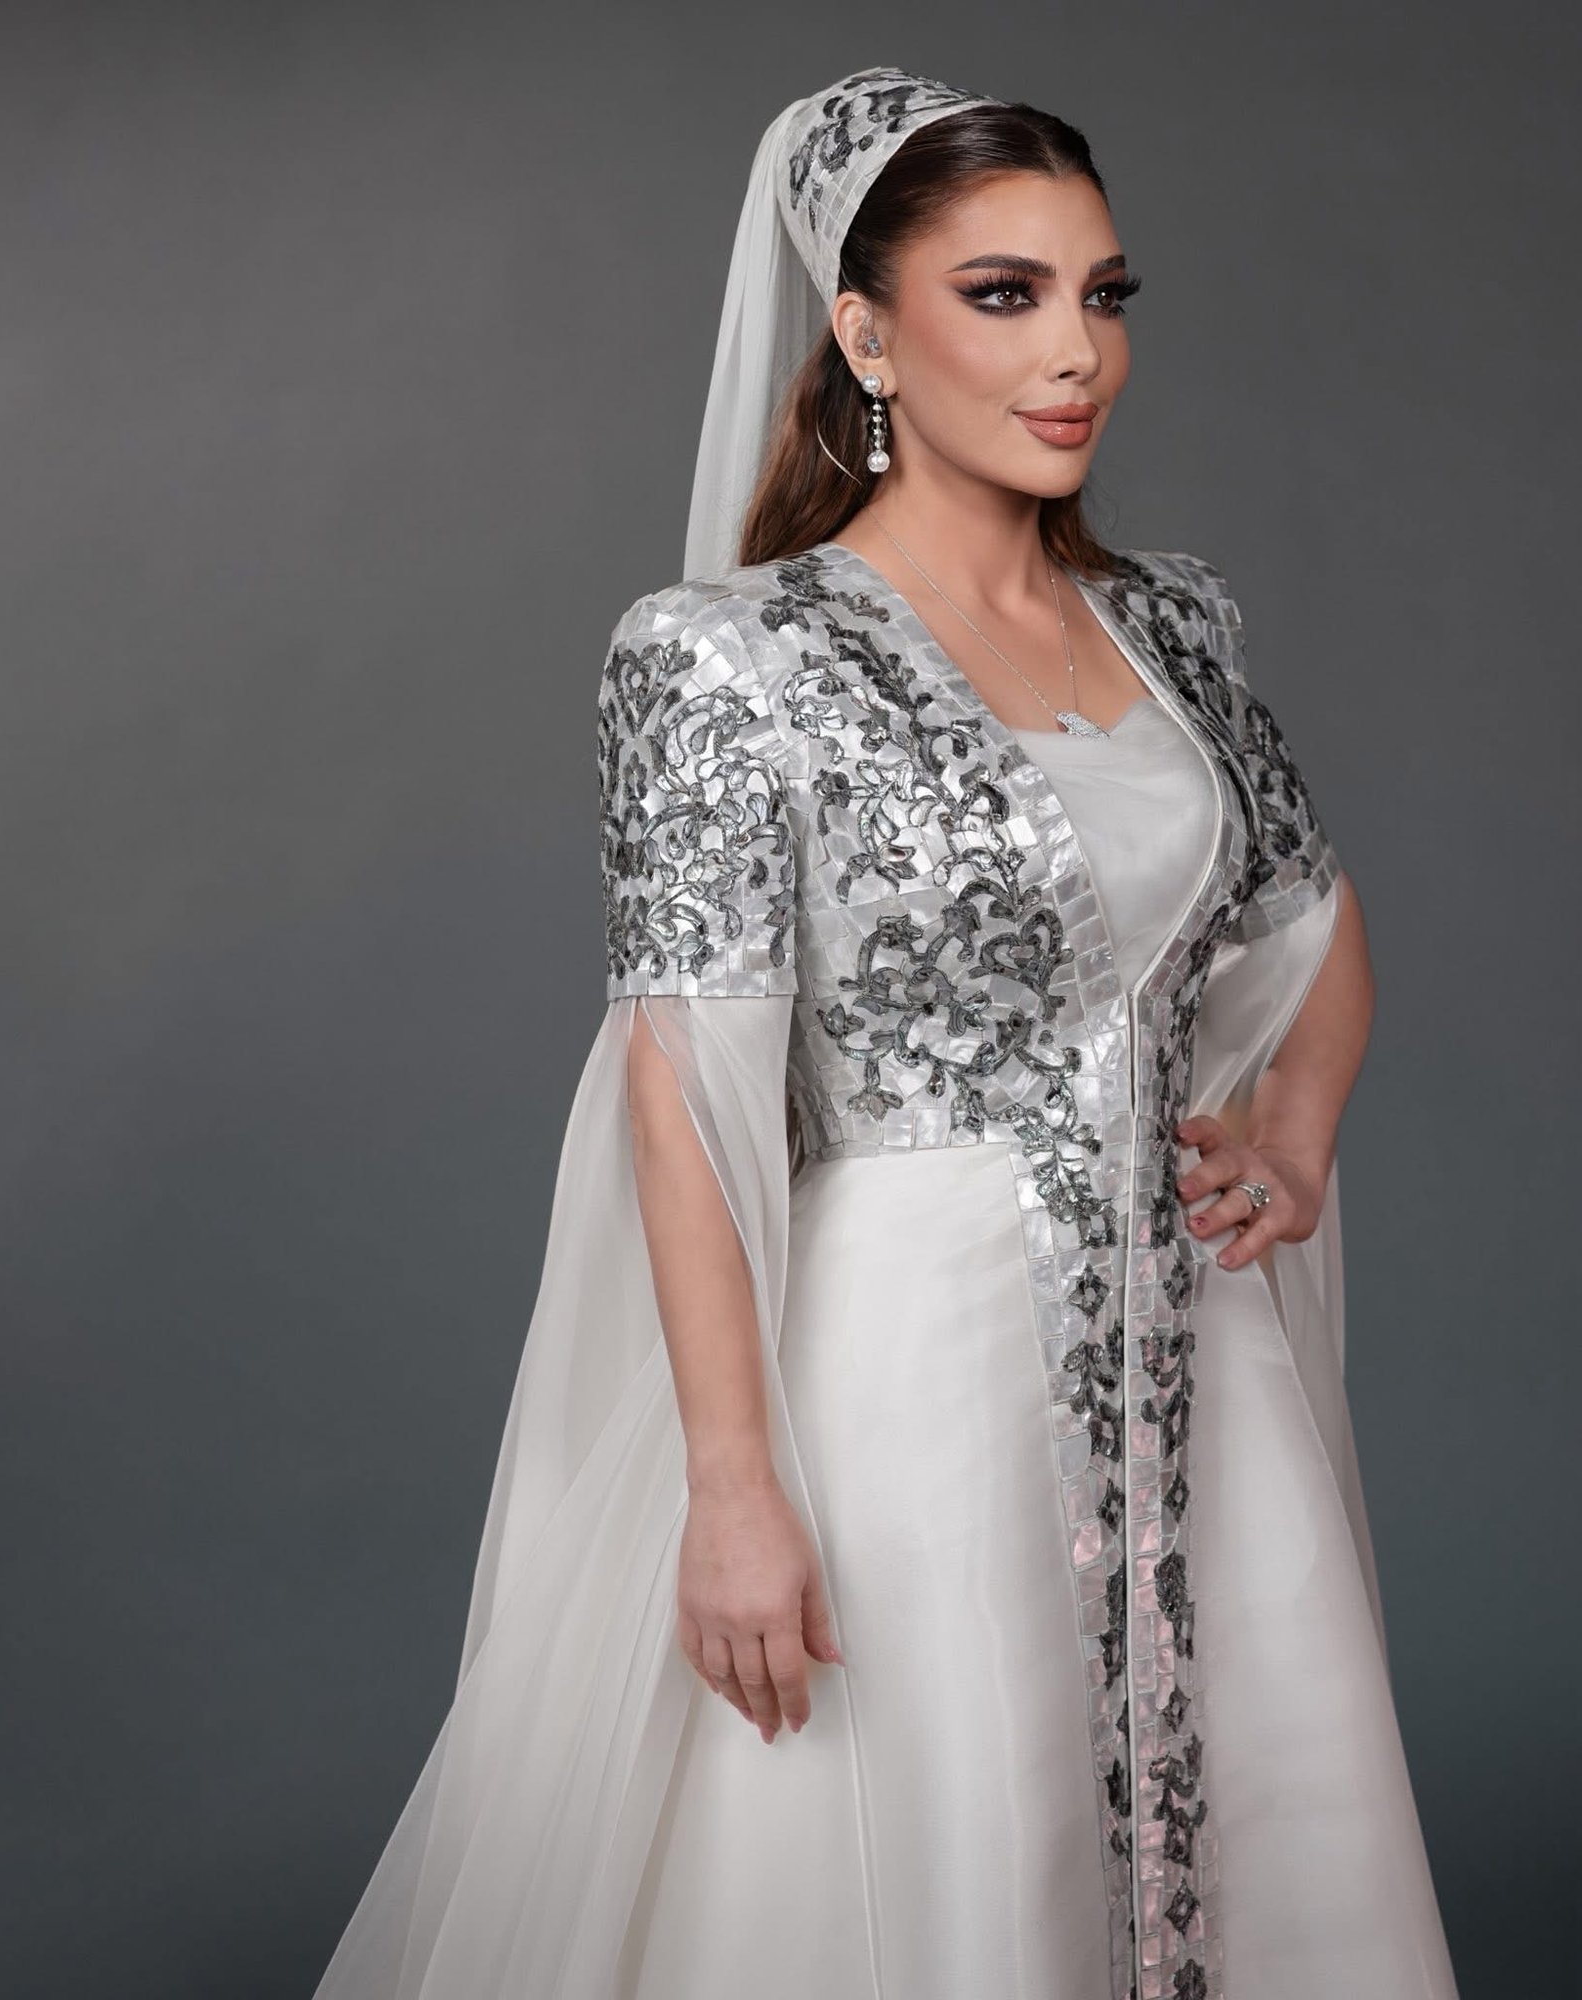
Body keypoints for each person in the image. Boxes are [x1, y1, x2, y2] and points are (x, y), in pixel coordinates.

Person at [311, 65, 1460, 2000]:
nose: (1077, 350)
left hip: (1201, 1370)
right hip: (909, 1376)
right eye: (1004, 295)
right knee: (940, 1853)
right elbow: (683, 1091)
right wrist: (732, 1485)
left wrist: (1296, 1133)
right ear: (865, 333)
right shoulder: (724, 658)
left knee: (1258, 1844)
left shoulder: (1175, 627)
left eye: (1103, 294)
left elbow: (1311, 918)